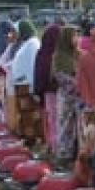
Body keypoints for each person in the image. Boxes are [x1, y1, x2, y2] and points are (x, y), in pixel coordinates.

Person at [52, 25, 82, 163]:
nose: (77, 39)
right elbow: (59, 76)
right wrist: (76, 83)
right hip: (67, 96)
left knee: (80, 126)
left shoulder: (80, 54)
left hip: (80, 97)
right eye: (74, 36)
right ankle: (64, 154)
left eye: (78, 36)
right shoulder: (59, 56)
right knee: (65, 126)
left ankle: (77, 153)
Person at [10, 20, 43, 142]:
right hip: (20, 83)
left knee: (29, 113)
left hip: (27, 84)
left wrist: (32, 87)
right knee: (24, 112)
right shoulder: (26, 44)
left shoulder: (33, 44)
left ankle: (31, 138)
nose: (14, 34)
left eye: (16, 31)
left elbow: (32, 66)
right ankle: (27, 135)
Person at [34, 23, 62, 152]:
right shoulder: (59, 54)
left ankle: (53, 145)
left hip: (47, 91)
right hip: (55, 91)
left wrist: (37, 90)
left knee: (52, 119)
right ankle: (55, 145)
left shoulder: (43, 53)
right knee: (56, 118)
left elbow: (39, 74)